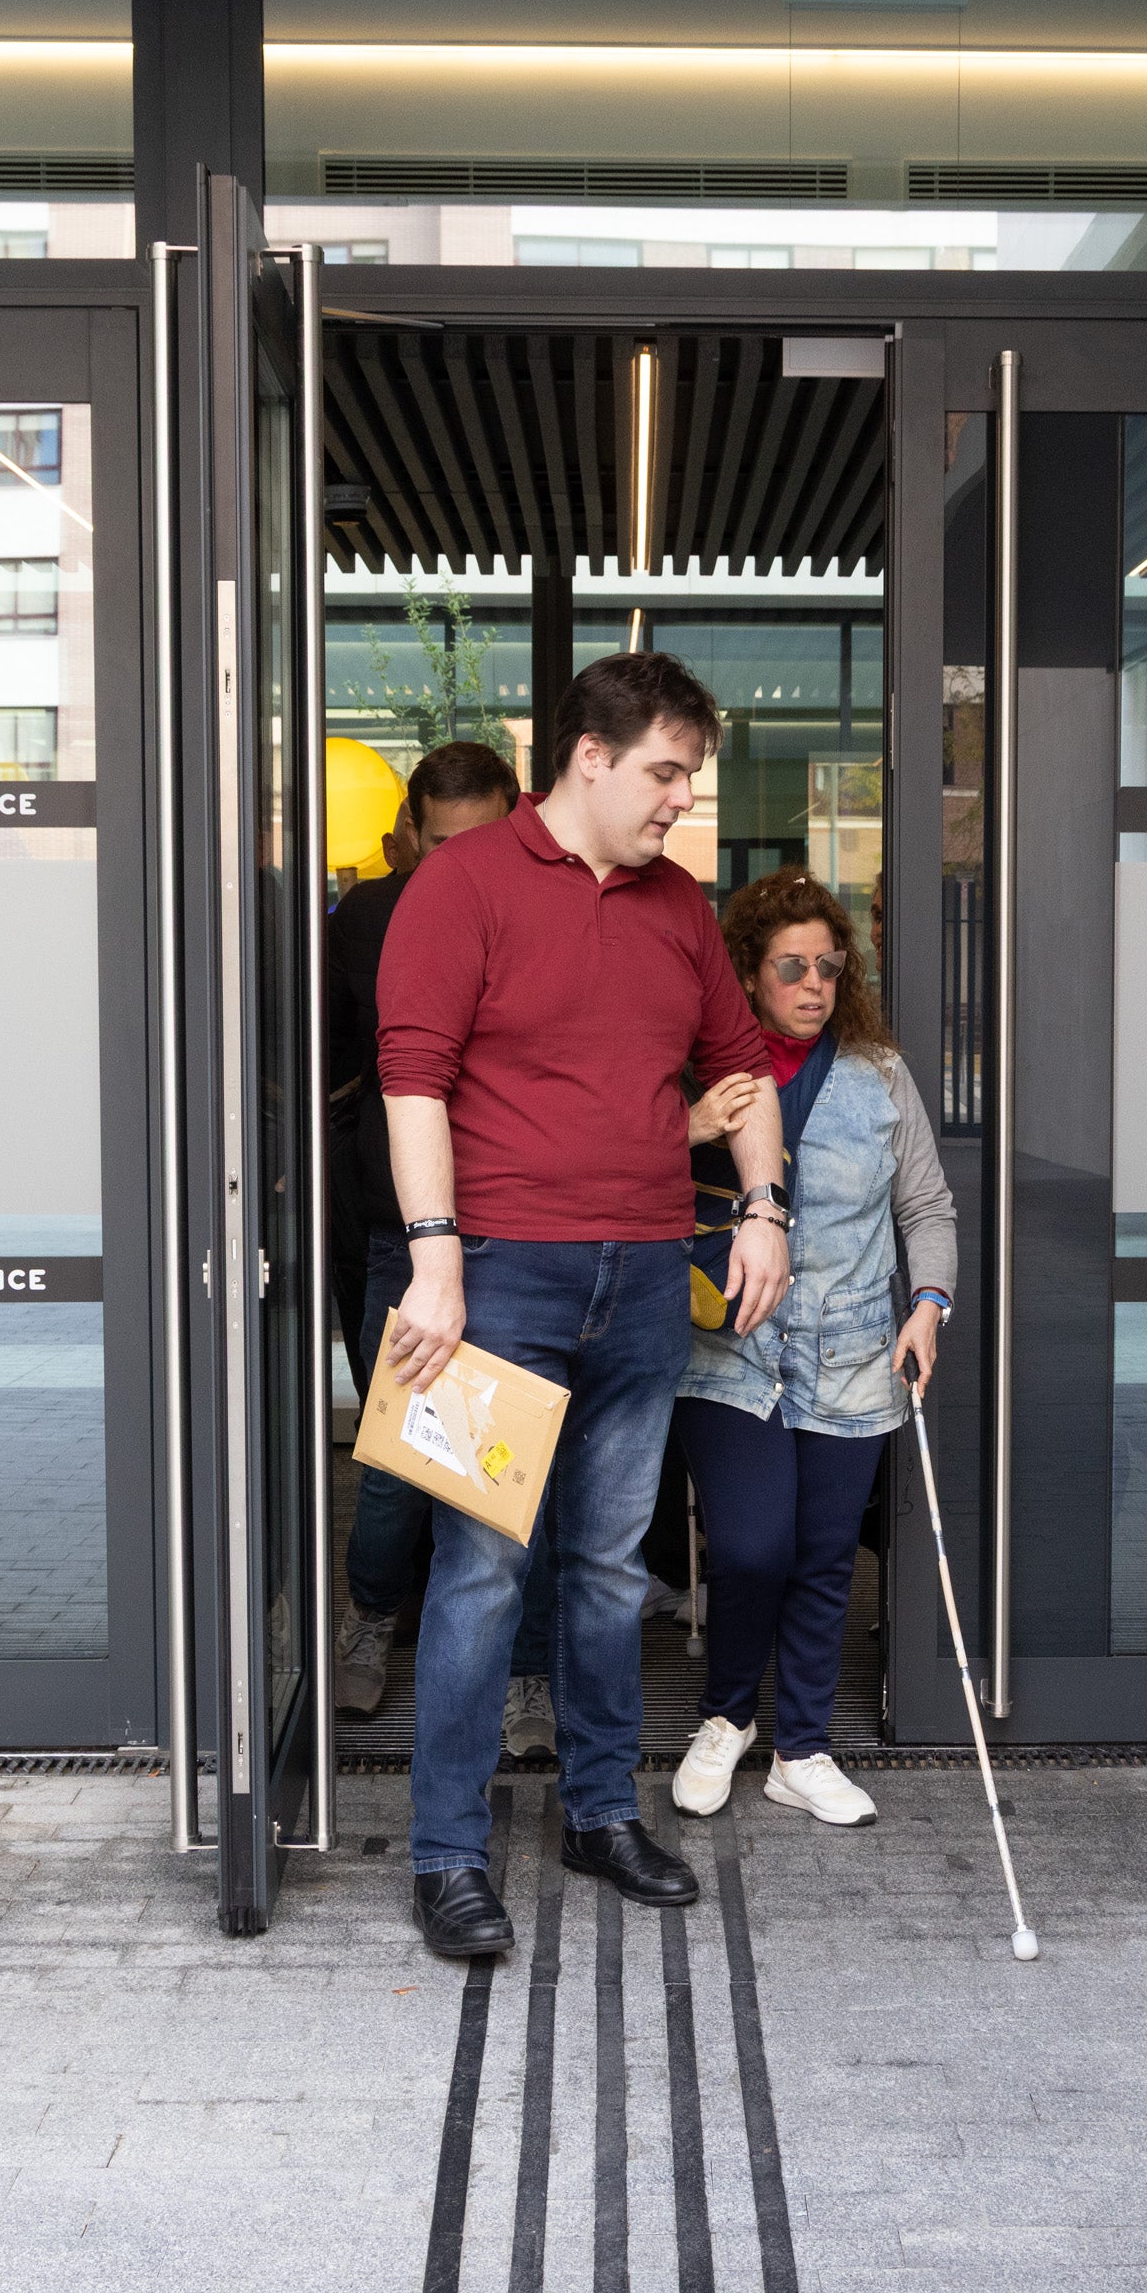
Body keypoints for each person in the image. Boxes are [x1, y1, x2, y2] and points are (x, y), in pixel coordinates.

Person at [374, 652, 786, 1961]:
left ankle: (601, 1810)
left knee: (609, 1570)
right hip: (502, 1277)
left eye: (690, 776)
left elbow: (741, 1063)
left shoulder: (676, 906)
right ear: (588, 757)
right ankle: (448, 1848)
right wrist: (435, 1257)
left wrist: (767, 1204)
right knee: (483, 1571)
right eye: (665, 772)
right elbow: (413, 1081)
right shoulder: (465, 884)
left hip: (647, 1278)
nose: (680, 799)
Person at [666, 872, 954, 1828]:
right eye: (791, 964)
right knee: (752, 1547)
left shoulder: (880, 1074)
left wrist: (929, 1303)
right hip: (732, 1353)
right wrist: (687, 1127)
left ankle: (801, 1746)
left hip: (853, 1351)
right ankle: (724, 1717)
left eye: (828, 965)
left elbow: (926, 1203)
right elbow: (617, 1176)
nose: (813, 981)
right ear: (747, 974)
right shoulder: (699, 1070)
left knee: (828, 1554)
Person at [322, 739, 521, 1719]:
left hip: (523, 1223)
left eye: (479, 841)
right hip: (398, 1229)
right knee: (399, 1453)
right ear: (404, 838)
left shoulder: (545, 912)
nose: (458, 867)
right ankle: (368, 1614)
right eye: (439, 845)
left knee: (517, 1456)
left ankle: (523, 1668)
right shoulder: (364, 918)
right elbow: (313, 1052)